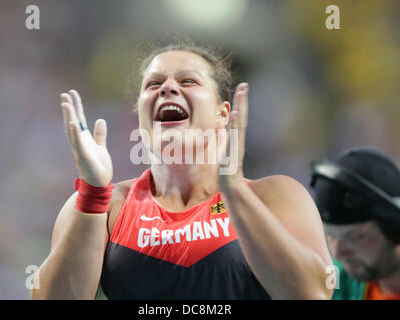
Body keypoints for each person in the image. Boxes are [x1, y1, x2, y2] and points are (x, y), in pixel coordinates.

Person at [31, 41, 333, 300]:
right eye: (153, 84)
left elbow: (314, 292)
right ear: (140, 115)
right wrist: (94, 193)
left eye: (188, 81)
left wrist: (235, 191)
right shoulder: (105, 206)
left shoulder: (275, 196)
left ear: (222, 113)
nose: (167, 87)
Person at [310, 147, 400, 300]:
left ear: (394, 229)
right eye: (330, 237)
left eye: (355, 237)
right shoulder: (337, 278)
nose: (338, 253)